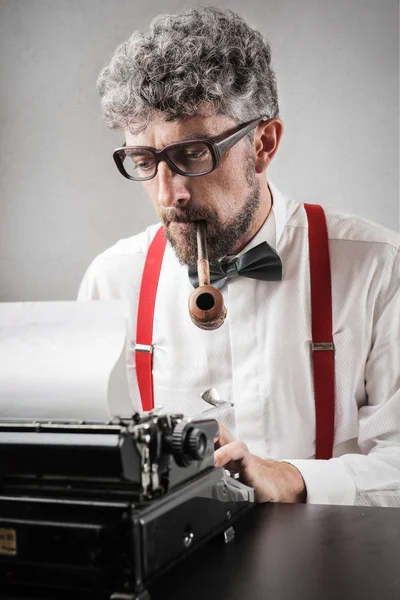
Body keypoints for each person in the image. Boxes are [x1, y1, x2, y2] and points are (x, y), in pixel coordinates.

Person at [78, 7, 400, 507]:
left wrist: (292, 479)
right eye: (144, 161)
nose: (169, 196)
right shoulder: (110, 282)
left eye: (192, 155)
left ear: (263, 143)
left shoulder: (380, 267)